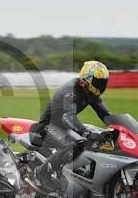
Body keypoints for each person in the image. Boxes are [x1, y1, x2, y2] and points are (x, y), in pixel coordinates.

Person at [33, 61, 113, 190]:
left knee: (95, 139)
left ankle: (78, 174)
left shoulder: (90, 91)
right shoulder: (71, 91)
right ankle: (42, 172)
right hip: (48, 125)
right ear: (87, 80)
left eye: (103, 82)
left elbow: (104, 114)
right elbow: (68, 117)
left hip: (64, 125)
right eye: (99, 82)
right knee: (73, 145)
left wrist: (119, 127)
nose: (102, 85)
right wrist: (86, 132)